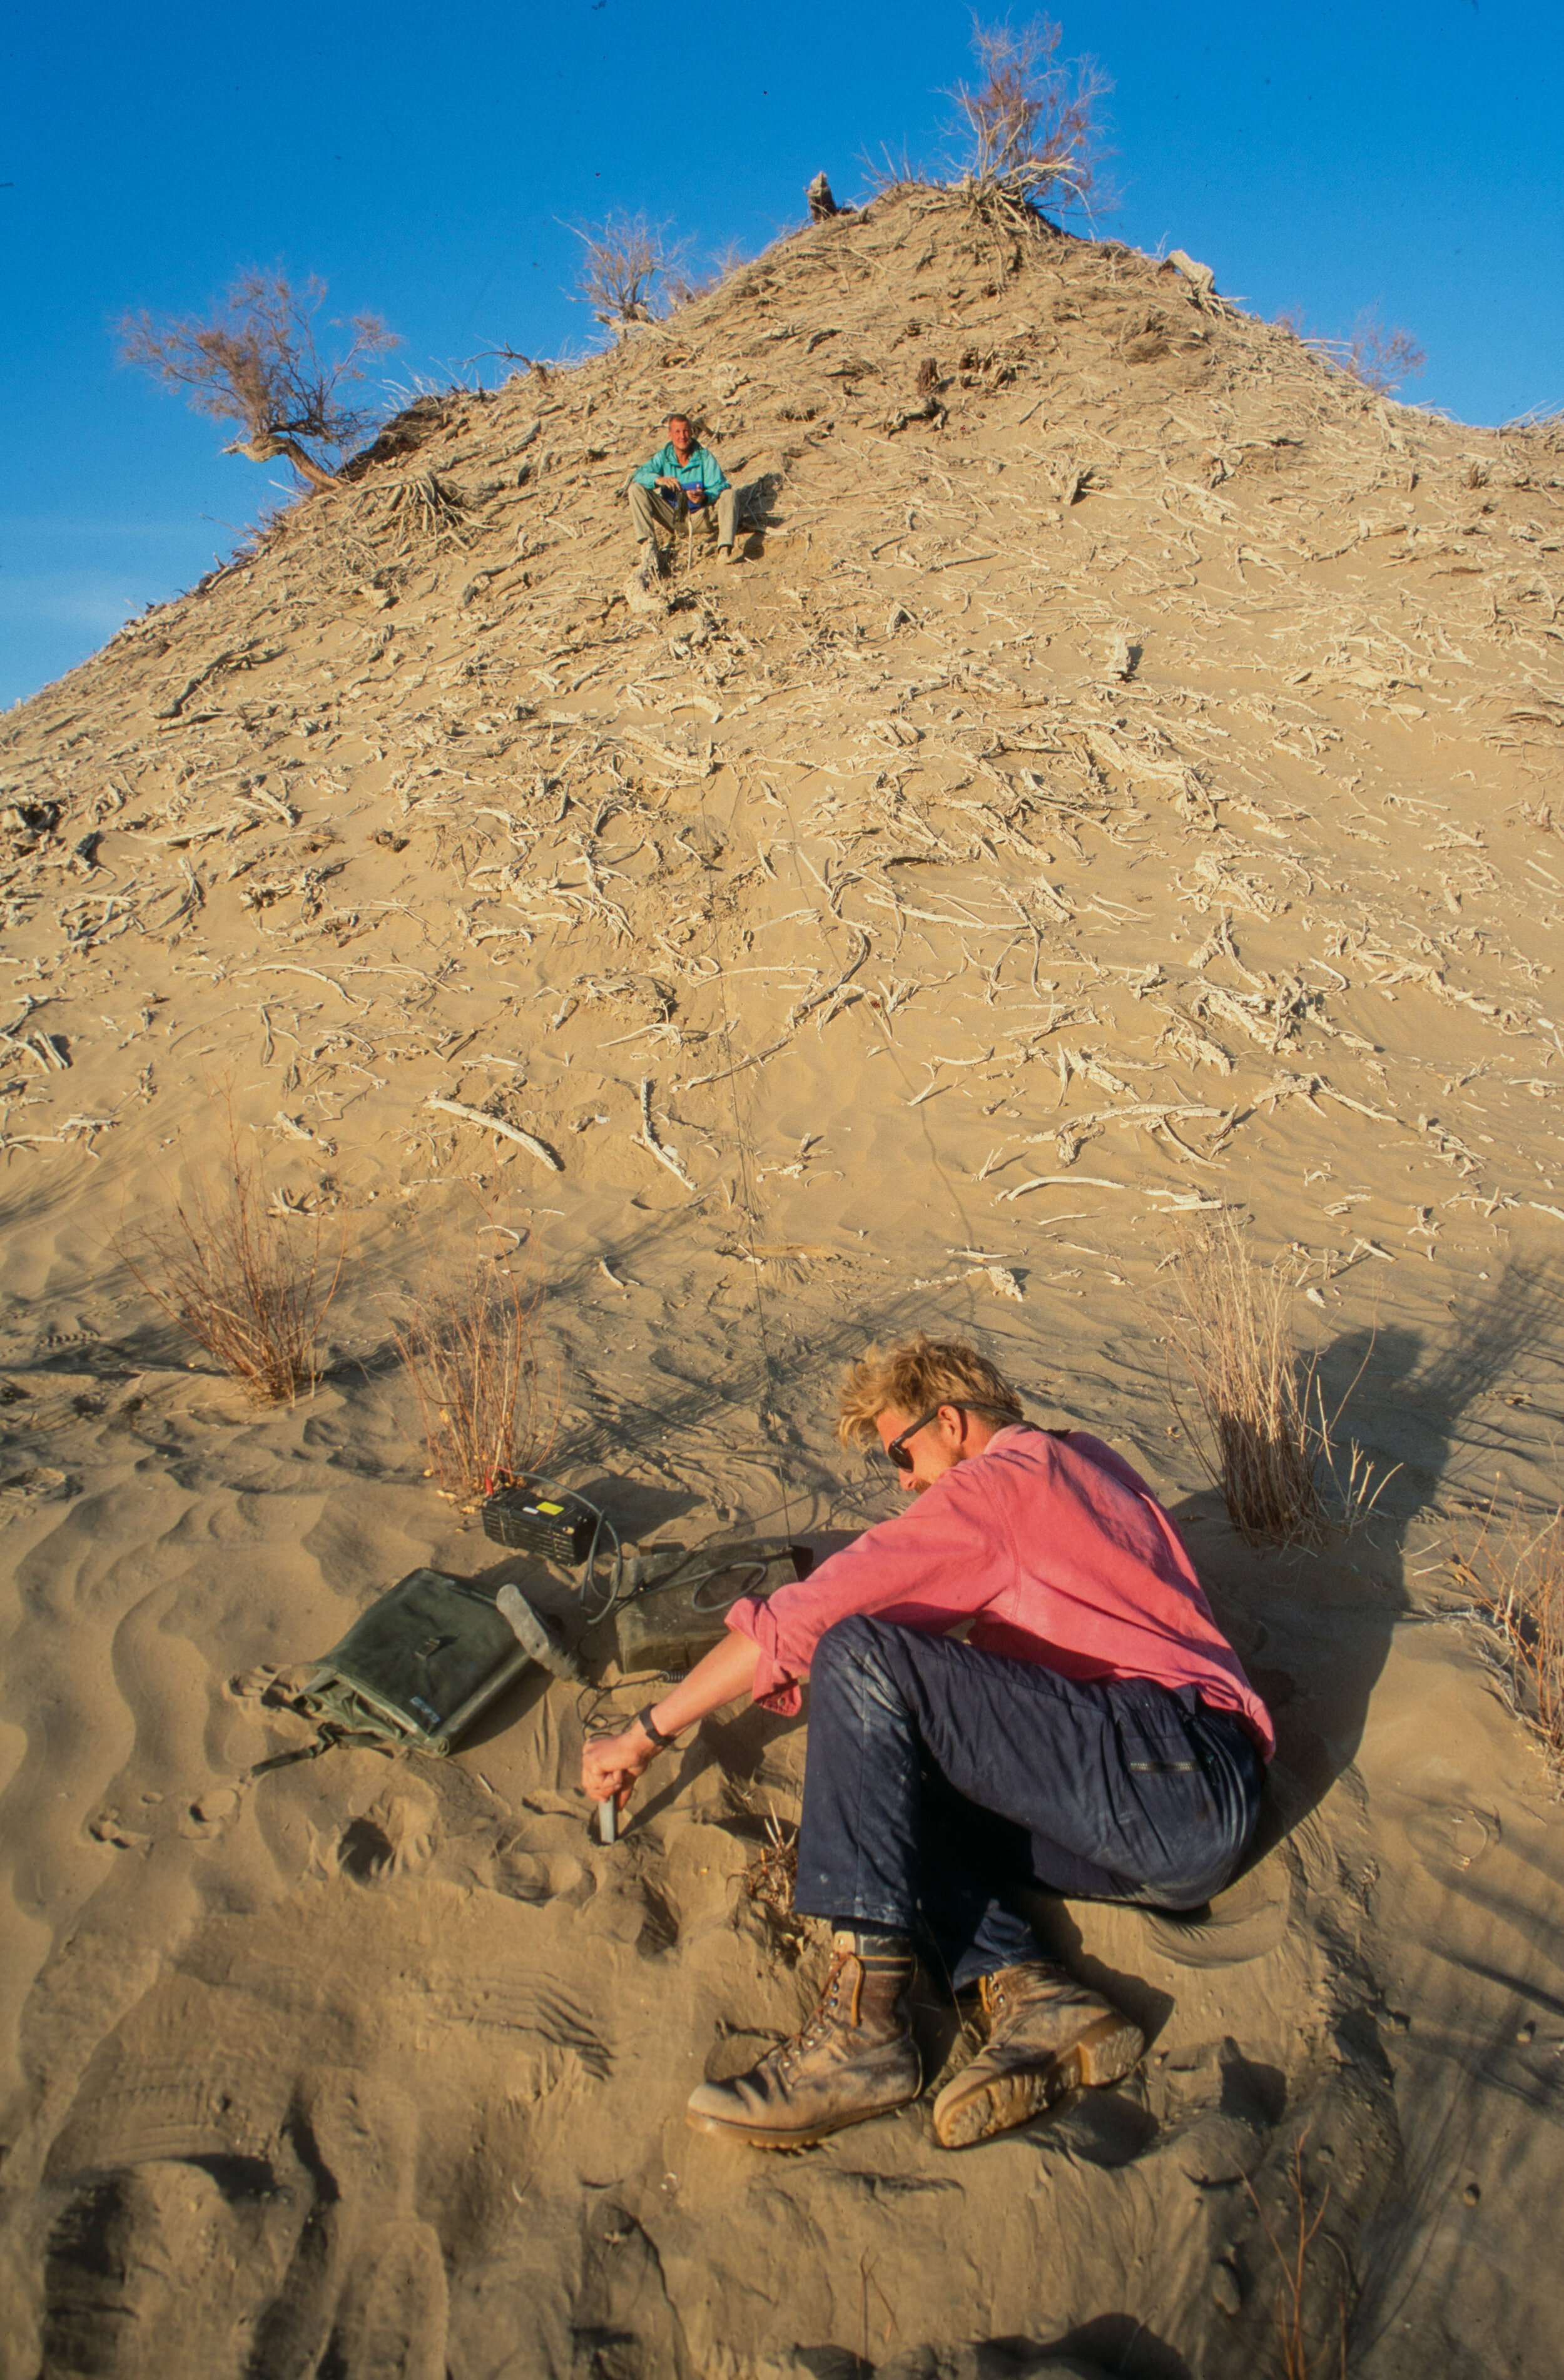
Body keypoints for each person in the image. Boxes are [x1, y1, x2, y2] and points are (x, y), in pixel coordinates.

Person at [581, 1332, 1272, 2152]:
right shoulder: (1088, 1458)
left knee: (857, 1654)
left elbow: (808, 1620)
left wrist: (649, 1729)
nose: (904, 1485)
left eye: (900, 1458)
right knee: (900, 1783)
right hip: (1177, 1806)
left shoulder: (997, 1486)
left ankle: (863, 2032)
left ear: (950, 1422)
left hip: (1166, 1765)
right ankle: (1025, 1987)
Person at [628, 412, 743, 565]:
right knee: (636, 489)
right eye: (677, 432)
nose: (682, 436)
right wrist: (658, 480)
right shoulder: (663, 457)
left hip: (702, 516)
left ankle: (724, 550)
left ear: (692, 432)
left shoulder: (704, 457)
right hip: (675, 517)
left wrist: (705, 497)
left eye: (686, 431)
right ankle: (647, 548)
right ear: (670, 435)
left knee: (729, 495)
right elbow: (639, 475)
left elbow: (721, 485)